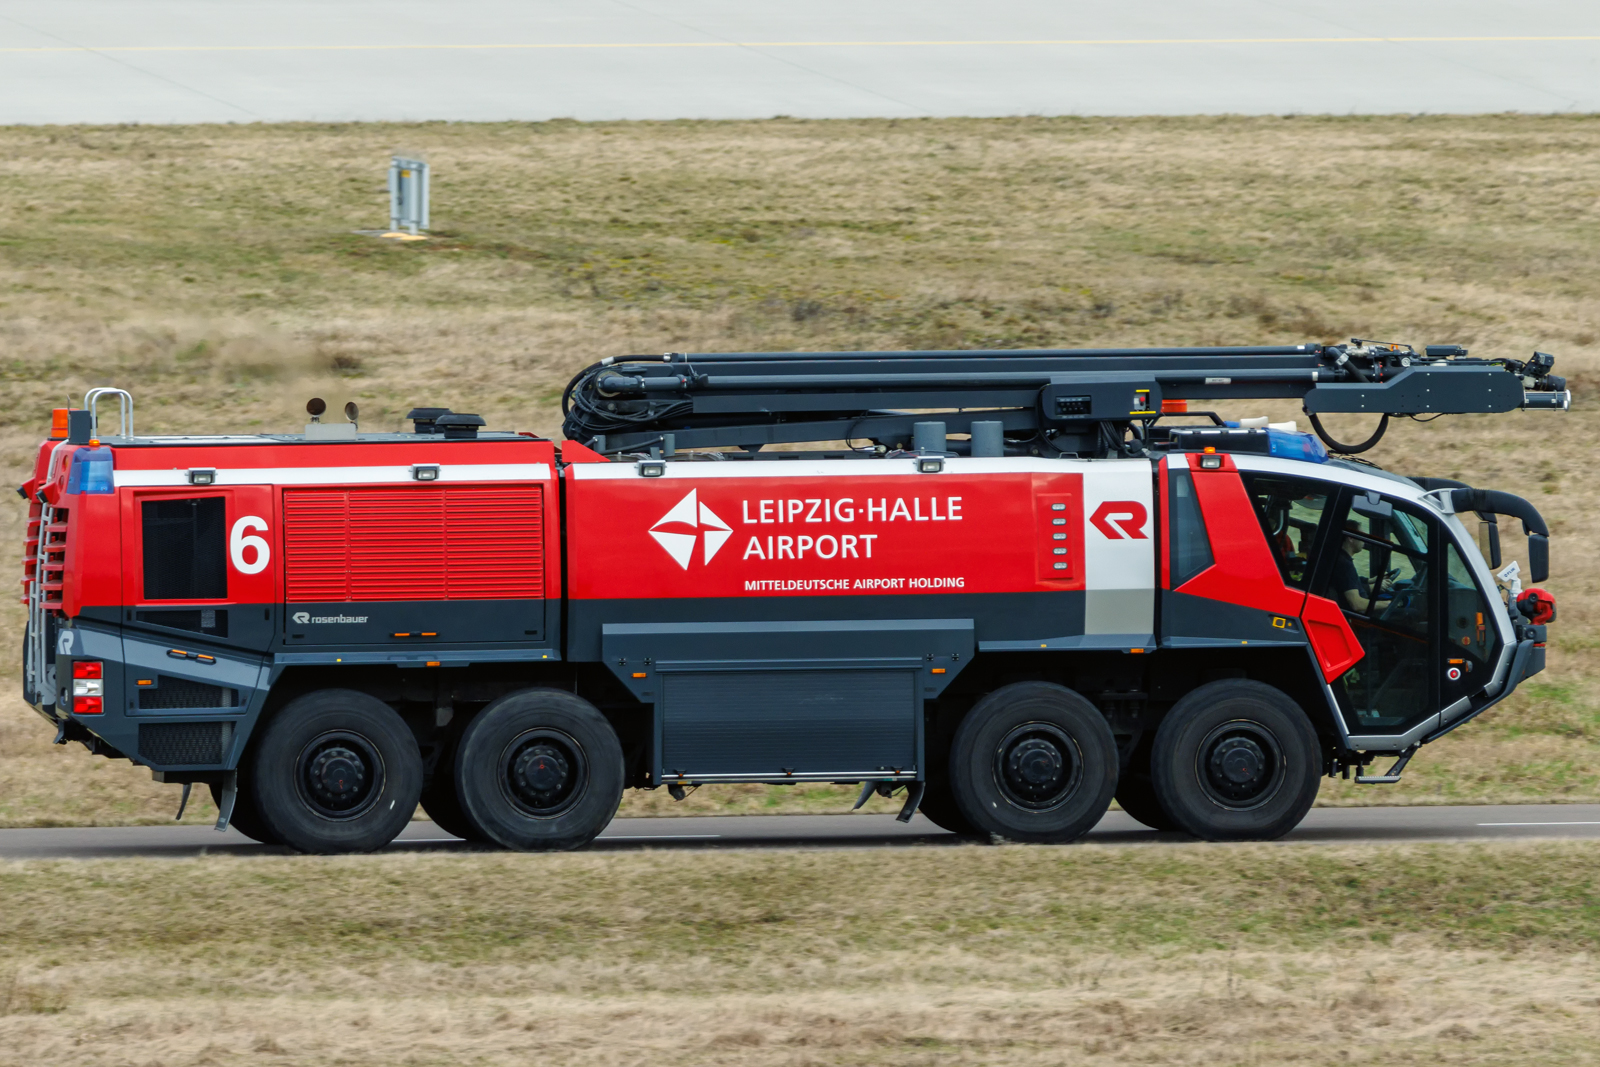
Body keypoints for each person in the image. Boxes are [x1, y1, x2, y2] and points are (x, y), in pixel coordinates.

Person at [1334, 521, 1390, 613]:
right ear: (1351, 538)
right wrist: (1388, 604)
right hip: (1359, 617)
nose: (1364, 539)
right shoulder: (1344, 565)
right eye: (1361, 535)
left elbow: (1349, 581)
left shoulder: (1340, 558)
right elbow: (1356, 604)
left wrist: (1369, 581)